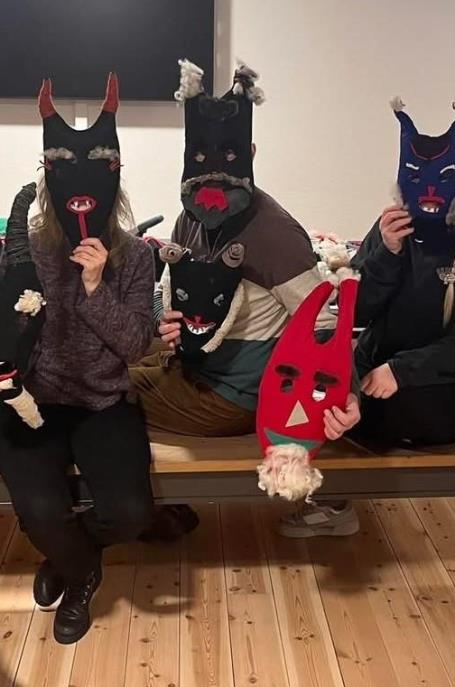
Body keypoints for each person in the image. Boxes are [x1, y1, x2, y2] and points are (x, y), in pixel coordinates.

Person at [130, 61, 360, 537]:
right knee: (110, 356)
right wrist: (164, 319)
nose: (212, 171)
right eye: (199, 156)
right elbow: (172, 288)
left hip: (233, 394)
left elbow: (325, 323)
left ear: (250, 154)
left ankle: (141, 510)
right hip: (194, 362)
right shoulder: (192, 214)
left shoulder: (275, 235)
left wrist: (348, 394)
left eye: (229, 157)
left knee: (106, 391)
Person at [0, 74, 155, 645]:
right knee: (39, 509)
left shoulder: (134, 257)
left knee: (131, 512)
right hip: (33, 402)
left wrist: (95, 289)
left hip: (103, 402)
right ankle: (82, 571)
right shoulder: (27, 251)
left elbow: (137, 345)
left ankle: (67, 557)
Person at [352, 96, 455, 447]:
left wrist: (402, 371)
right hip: (374, 365)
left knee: (395, 413)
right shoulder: (389, 228)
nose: (430, 190)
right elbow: (356, 312)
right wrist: (387, 252)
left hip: (434, 376)